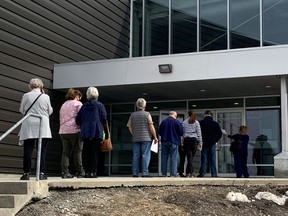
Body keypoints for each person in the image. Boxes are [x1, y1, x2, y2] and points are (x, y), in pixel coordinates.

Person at [18, 78, 53, 180]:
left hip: (29, 124)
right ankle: (41, 173)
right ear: (41, 86)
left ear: (30, 86)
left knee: (28, 150)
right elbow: (49, 111)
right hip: (43, 125)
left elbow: (21, 110)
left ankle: (26, 173)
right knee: (41, 151)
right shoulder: (46, 97)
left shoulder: (26, 96)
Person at [76, 87, 109, 178]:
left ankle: (86, 172)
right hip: (96, 131)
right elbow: (104, 119)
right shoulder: (100, 105)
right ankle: (93, 172)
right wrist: (106, 133)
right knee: (95, 152)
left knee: (86, 151)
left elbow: (78, 119)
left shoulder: (84, 106)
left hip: (86, 131)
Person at [127, 98, 158, 177]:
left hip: (136, 138)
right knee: (145, 155)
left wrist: (134, 134)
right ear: (144, 105)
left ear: (137, 105)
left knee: (136, 155)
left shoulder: (132, 115)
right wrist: (155, 136)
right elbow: (151, 126)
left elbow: (129, 127)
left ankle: (134, 173)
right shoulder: (147, 114)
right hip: (146, 138)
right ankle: (144, 173)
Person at [59, 88, 84, 178]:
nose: (80, 99)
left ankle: (64, 172)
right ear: (77, 96)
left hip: (63, 131)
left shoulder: (64, 104)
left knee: (65, 152)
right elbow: (81, 117)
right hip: (74, 130)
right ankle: (80, 171)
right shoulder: (78, 104)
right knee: (77, 151)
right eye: (79, 97)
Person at [158, 111, 183, 177]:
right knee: (173, 158)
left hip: (164, 142)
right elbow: (181, 133)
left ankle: (163, 173)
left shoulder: (163, 122)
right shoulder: (177, 122)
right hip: (174, 142)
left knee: (164, 158)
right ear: (175, 115)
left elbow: (160, 132)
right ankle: (173, 174)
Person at [198, 110, 222, 177]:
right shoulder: (215, 123)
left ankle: (202, 173)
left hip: (204, 142)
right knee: (212, 158)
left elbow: (198, 133)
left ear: (204, 115)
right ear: (211, 115)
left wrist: (200, 141)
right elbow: (220, 134)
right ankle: (214, 174)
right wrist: (215, 140)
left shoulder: (201, 123)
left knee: (204, 158)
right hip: (212, 142)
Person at [182, 110, 202, 178]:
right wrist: (200, 142)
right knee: (191, 157)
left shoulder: (184, 122)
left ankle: (189, 172)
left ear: (188, 115)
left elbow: (183, 133)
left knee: (189, 157)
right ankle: (191, 172)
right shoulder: (196, 122)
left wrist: (182, 142)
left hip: (187, 140)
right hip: (194, 140)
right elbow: (199, 133)